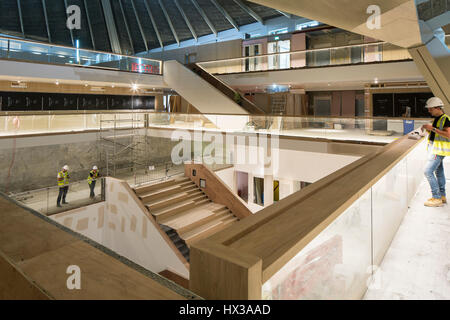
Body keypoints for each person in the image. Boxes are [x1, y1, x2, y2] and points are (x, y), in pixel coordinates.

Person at [421, 97, 450, 207]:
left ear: (438, 108)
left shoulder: (445, 118)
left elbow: (448, 134)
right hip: (436, 148)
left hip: (438, 150)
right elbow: (438, 132)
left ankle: (436, 197)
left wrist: (432, 128)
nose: (429, 111)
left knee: (428, 171)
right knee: (439, 172)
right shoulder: (437, 118)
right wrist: (428, 128)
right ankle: (442, 196)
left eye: (431, 109)